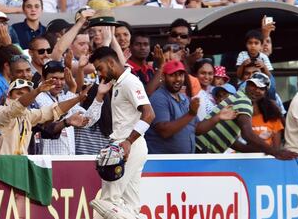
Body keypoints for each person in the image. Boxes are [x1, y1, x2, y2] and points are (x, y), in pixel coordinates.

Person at [89, 46, 155, 219]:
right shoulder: (118, 83)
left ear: (111, 63)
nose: (99, 74)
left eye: (99, 68)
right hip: (130, 146)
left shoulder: (129, 82)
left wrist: (128, 142)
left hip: (127, 146)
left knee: (106, 204)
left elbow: (149, 114)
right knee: (131, 207)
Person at [195, 72, 298, 160]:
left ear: (265, 92)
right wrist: (275, 152)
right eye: (253, 85)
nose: (256, 90)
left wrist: (259, 150)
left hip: (201, 149)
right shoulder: (244, 101)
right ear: (247, 84)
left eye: (261, 88)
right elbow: (247, 134)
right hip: (202, 149)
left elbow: (232, 141)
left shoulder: (239, 97)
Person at [0, 78, 89, 155]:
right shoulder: (0, 112)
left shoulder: (28, 115)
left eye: (26, 94)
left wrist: (77, 99)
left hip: (21, 164)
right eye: (19, 93)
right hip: (1, 165)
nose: (23, 97)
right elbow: (17, 107)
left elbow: (55, 110)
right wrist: (37, 91)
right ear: (8, 96)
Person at [35, 60, 111, 155]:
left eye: (62, 79)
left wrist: (99, 97)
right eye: (54, 78)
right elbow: (57, 113)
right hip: (49, 160)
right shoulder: (38, 97)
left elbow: (88, 120)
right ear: (43, 79)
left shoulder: (63, 96)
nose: (59, 83)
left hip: (68, 158)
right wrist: (73, 90)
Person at [145, 60, 200, 154]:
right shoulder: (159, 97)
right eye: (173, 75)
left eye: (181, 75)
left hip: (183, 161)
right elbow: (164, 131)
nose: (178, 79)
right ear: (163, 76)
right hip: (163, 163)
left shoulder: (184, 98)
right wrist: (191, 114)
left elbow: (198, 128)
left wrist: (218, 116)